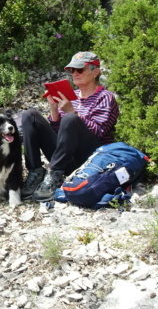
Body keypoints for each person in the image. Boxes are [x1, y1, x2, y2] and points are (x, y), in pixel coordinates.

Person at [17, 51, 119, 202]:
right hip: (65, 156)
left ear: (95, 72)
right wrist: (54, 108)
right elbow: (61, 133)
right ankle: (35, 172)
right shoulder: (72, 95)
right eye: (72, 70)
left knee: (71, 118)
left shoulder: (105, 97)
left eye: (80, 70)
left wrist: (72, 112)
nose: (74, 74)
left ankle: (55, 175)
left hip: (88, 159)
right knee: (29, 115)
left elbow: (100, 132)